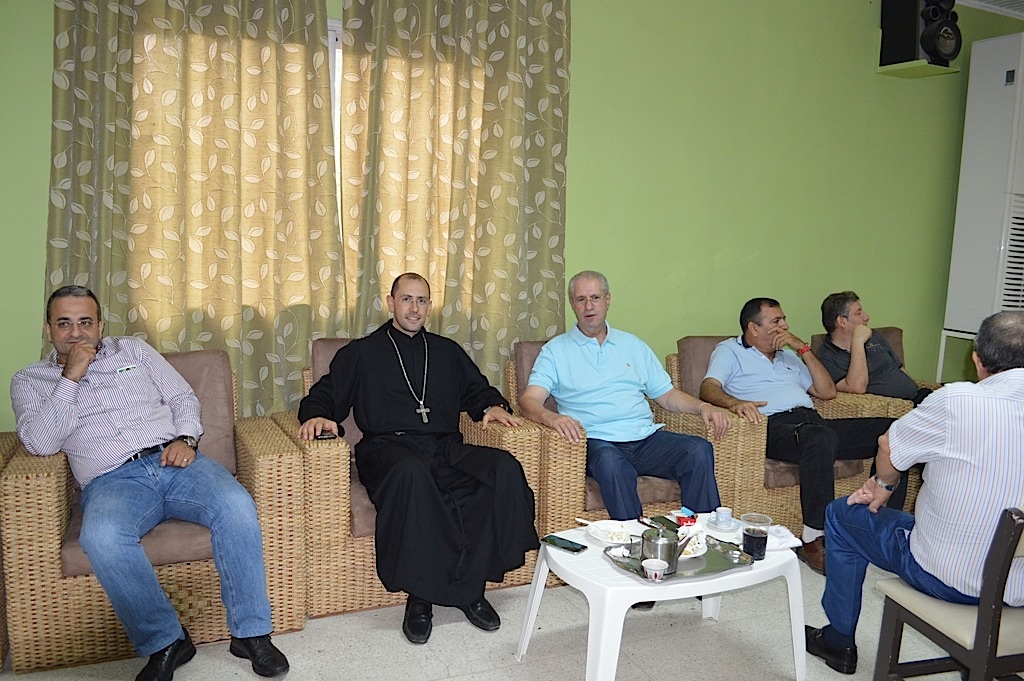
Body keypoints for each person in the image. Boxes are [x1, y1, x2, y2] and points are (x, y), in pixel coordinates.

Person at [10, 286, 288, 681]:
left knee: (237, 505)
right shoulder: (31, 381)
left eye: (85, 322)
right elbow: (40, 443)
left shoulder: (132, 351)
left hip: (175, 459)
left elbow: (182, 397)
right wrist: (70, 377)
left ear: (100, 325)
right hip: (112, 480)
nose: (76, 333)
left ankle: (250, 633)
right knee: (102, 537)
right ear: (49, 329)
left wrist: (186, 439)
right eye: (64, 323)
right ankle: (166, 640)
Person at [297, 273, 538, 645]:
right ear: (390, 302)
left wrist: (490, 406)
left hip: (444, 448)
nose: (414, 308)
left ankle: (468, 586)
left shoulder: (447, 351)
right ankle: (420, 597)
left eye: (421, 300)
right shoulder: (361, 353)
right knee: (413, 475)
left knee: (502, 469)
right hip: (388, 451)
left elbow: (477, 390)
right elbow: (325, 394)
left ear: (430, 306)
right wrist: (317, 415)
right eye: (406, 299)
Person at [805, 310, 1024, 676]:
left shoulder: (956, 401)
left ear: (977, 360)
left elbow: (889, 445)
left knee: (842, 516)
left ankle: (838, 642)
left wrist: (883, 485)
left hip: (954, 578)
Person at [699, 297, 893, 575]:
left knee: (893, 431)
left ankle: (883, 527)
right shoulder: (730, 351)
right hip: (774, 427)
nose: (785, 326)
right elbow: (708, 387)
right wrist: (734, 403)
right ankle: (814, 537)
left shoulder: (789, 356)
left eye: (784, 319)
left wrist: (803, 349)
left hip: (814, 424)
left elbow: (827, 392)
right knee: (819, 437)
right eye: (776, 321)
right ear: (754, 328)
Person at [519, 270, 730, 522]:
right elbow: (529, 400)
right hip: (597, 441)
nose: (589, 306)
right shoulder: (555, 351)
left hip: (644, 439)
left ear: (608, 300)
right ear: (572, 304)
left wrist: (703, 407)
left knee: (697, 450)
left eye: (595, 297)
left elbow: (667, 396)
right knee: (611, 462)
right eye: (581, 299)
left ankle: (701, 532)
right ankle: (633, 535)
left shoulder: (633, 345)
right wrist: (551, 418)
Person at [817, 291, 932, 405]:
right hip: (891, 408)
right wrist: (857, 342)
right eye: (858, 313)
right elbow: (857, 387)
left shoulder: (874, 336)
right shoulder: (825, 356)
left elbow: (900, 368)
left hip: (918, 399)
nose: (866, 317)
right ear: (842, 321)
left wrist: (914, 387)